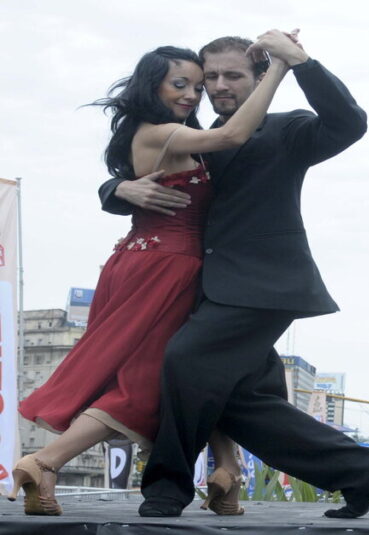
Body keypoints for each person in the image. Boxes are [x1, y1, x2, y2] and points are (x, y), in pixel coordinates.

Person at [99, 32, 369, 519]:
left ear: (260, 77)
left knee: (183, 360)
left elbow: (349, 123)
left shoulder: (287, 130)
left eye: (232, 75)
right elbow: (132, 168)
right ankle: (364, 474)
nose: (218, 85)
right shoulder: (192, 136)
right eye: (209, 77)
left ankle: (165, 489)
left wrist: (301, 62)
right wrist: (118, 190)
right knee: (240, 403)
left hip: (264, 285)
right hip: (201, 286)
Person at [11, 42, 289, 516]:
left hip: (160, 262)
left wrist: (118, 186)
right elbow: (235, 135)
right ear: (151, 84)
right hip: (166, 269)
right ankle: (44, 462)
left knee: (208, 367)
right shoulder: (161, 132)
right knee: (143, 383)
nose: (191, 94)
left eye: (195, 87)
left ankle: (227, 472)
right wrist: (280, 67)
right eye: (179, 84)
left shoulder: (172, 132)